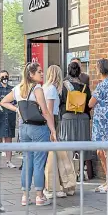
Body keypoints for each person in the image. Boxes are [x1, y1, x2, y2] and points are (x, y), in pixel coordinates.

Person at [1, 62, 56, 207]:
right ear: (31, 74)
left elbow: (3, 102)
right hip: (38, 128)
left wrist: (17, 110)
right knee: (39, 162)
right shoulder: (37, 89)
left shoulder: (18, 89)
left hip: (24, 128)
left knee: (27, 161)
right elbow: (45, 112)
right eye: (39, 72)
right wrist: (53, 130)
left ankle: (25, 196)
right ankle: (39, 196)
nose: (42, 74)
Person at [89, 59, 108, 194]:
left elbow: (91, 103)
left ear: (99, 69)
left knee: (105, 152)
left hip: (102, 123)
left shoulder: (102, 85)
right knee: (107, 152)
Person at [59, 62, 92, 179]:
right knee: (82, 145)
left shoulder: (63, 86)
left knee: (68, 146)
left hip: (68, 118)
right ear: (79, 72)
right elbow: (89, 104)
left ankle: (69, 173)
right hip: (83, 118)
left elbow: (60, 101)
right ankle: (81, 171)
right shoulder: (85, 87)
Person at [43, 65, 69, 198]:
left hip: (48, 121)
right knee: (51, 155)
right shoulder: (52, 89)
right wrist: (53, 131)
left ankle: (50, 186)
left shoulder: (44, 87)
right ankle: (50, 187)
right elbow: (49, 111)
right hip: (52, 120)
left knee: (49, 155)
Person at [0, 70, 17, 168]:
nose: (4, 78)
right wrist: (6, 100)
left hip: (9, 115)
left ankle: (8, 161)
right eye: (2, 76)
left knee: (8, 139)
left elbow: (14, 100)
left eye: (6, 76)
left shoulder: (12, 89)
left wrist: (4, 100)